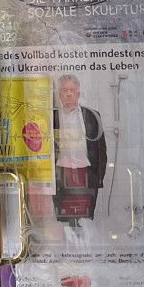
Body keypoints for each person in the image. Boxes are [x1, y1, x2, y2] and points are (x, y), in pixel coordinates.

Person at [53, 74, 107, 222]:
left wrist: (99, 177)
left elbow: (101, 150)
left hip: (87, 174)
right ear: (59, 94)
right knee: (64, 218)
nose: (69, 93)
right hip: (61, 175)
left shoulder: (92, 116)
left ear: (78, 93)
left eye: (72, 90)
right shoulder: (51, 117)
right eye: (65, 90)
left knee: (85, 219)